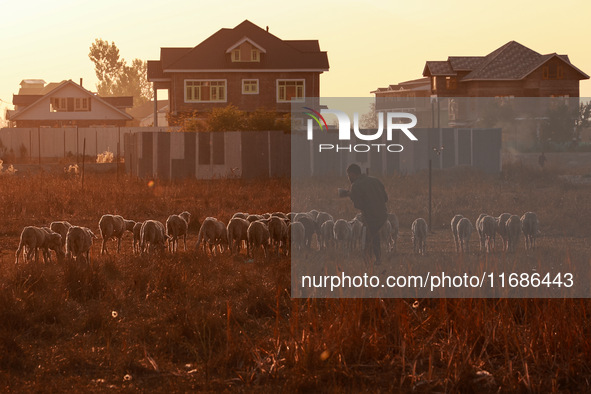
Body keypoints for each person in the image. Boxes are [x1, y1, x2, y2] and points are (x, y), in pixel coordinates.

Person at [341, 164, 388, 265]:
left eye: (348, 176)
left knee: (368, 238)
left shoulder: (356, 185)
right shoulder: (376, 180)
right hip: (383, 215)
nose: (348, 178)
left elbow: (358, 205)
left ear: (352, 174)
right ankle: (375, 259)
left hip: (371, 216)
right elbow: (385, 198)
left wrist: (351, 196)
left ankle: (370, 261)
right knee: (373, 235)